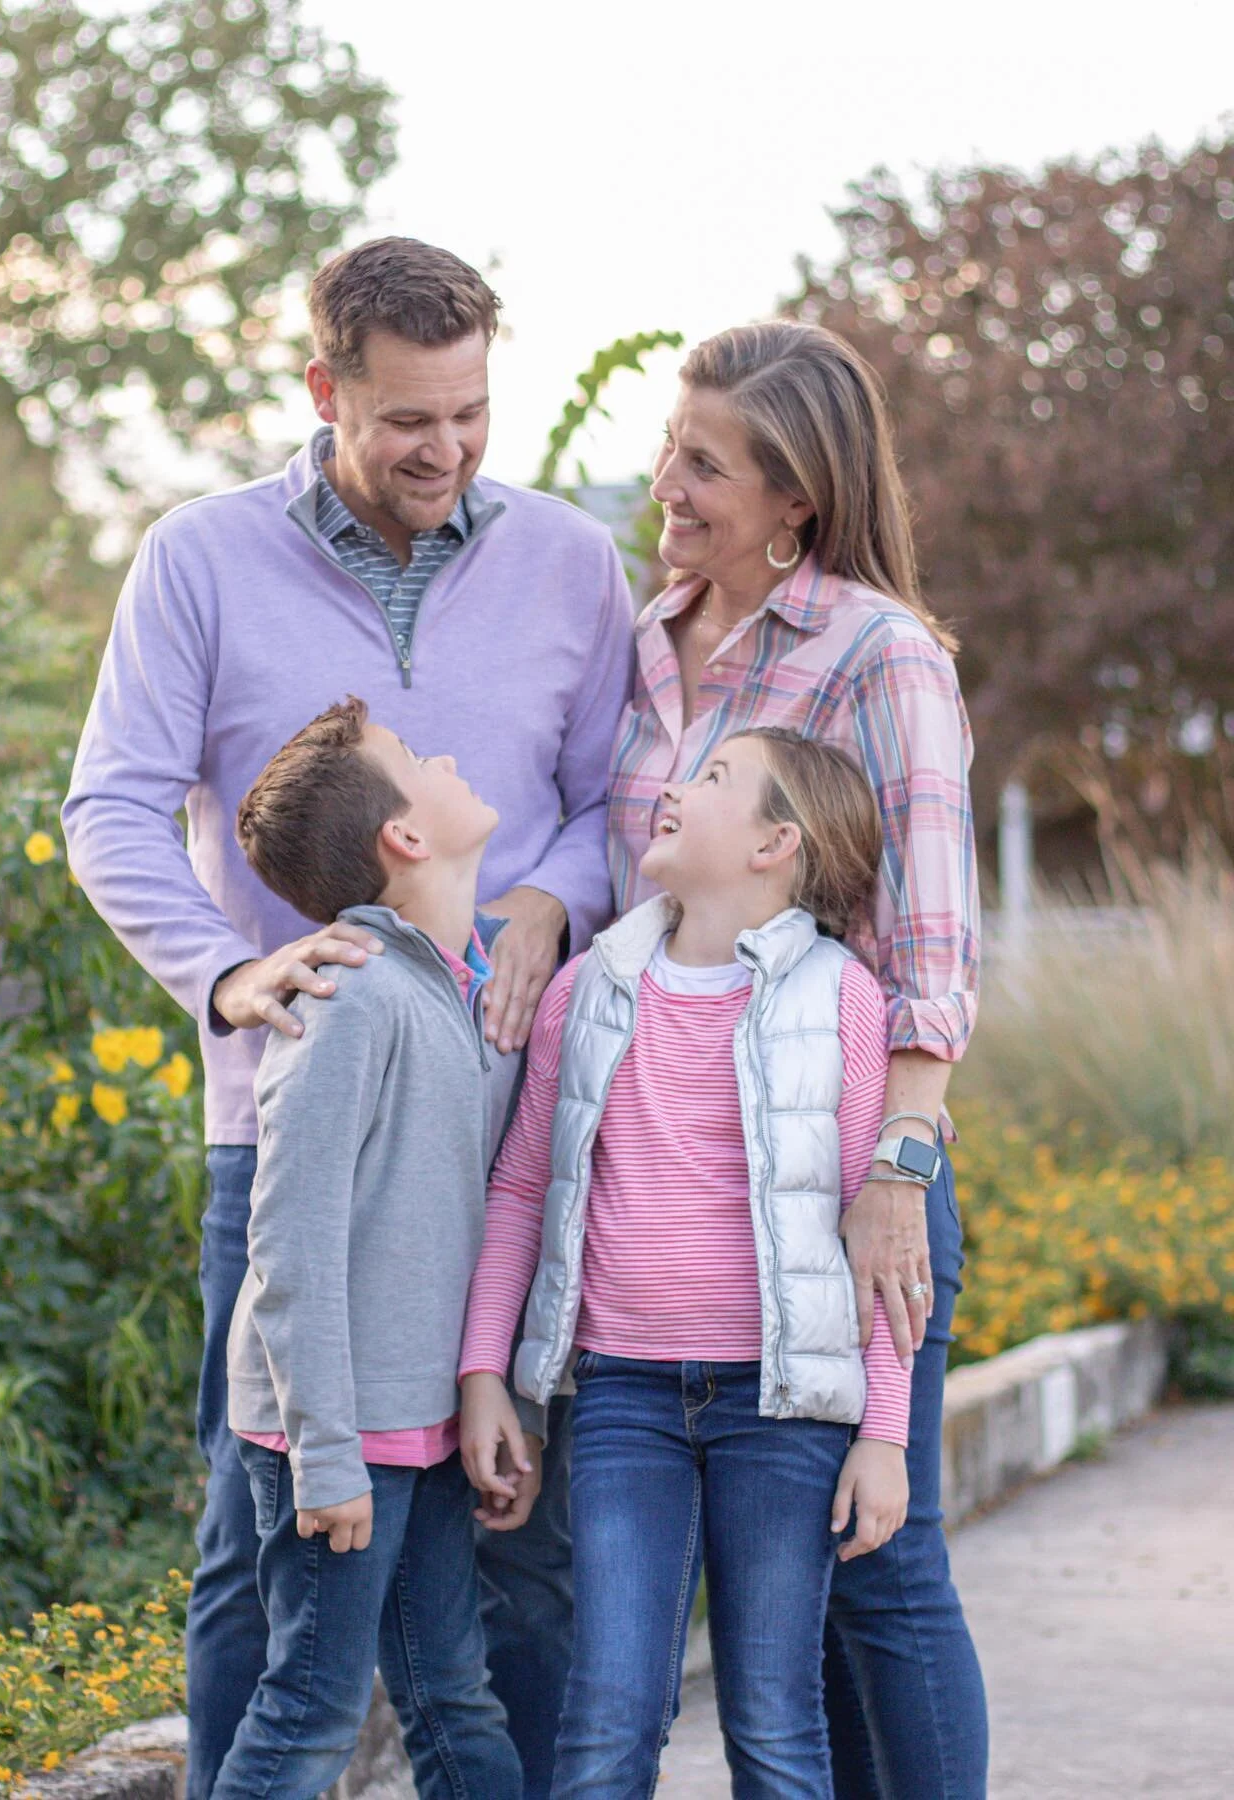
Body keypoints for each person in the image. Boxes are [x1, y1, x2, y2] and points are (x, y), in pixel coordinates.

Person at [62, 236, 635, 1800]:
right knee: (258, 1553)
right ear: (324, 392)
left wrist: (546, 901)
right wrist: (226, 976)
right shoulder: (198, 557)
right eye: (406, 421)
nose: (444, 452)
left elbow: (610, 807)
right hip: (287, 1122)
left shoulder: (575, 562)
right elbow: (109, 808)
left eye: (471, 413)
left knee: (519, 1554)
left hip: (508, 1141)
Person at [606, 321, 986, 1797]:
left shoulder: (878, 655)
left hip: (840, 1182)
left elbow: (935, 943)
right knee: (791, 1607)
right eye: (671, 446)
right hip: (676, 1198)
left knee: (881, 1569)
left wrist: (898, 1172)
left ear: (796, 504)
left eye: (708, 464)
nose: (670, 484)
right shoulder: (653, 638)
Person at [461, 727, 912, 1797]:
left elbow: (871, 1235)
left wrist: (884, 1433)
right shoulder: (588, 989)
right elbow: (522, 1190)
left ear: (774, 845)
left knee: (771, 1718)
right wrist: (488, 1378)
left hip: (785, 1406)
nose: (675, 785)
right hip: (622, 1399)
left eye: (714, 779)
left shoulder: (840, 998)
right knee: (610, 1715)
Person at [211, 697, 529, 1799]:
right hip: (338, 1440)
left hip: (421, 1428)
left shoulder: (455, 983)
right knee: (310, 1715)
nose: (444, 752)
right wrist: (327, 1453)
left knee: (452, 1701)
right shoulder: (347, 995)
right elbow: (290, 1240)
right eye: (416, 756)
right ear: (405, 835)